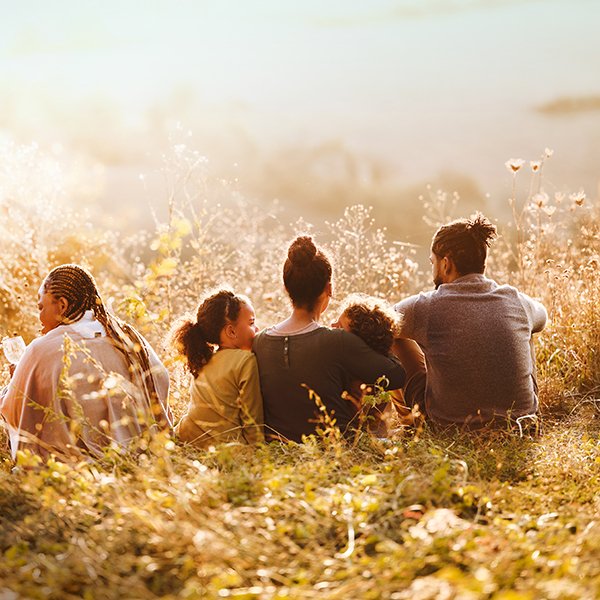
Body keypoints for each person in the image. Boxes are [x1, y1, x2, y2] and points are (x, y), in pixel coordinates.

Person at [0, 264, 172, 460]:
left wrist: (17, 382)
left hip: (71, 471)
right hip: (143, 458)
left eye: (41, 307)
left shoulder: (41, 350)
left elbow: (14, 409)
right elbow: (161, 378)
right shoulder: (127, 337)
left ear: (62, 305)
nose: (39, 316)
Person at [393, 213, 548, 429]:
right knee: (528, 328)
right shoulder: (516, 301)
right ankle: (523, 407)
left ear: (446, 264)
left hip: (449, 428)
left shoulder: (425, 307)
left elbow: (381, 322)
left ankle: (411, 425)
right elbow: (543, 317)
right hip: (521, 427)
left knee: (393, 335)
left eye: (433, 263)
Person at [253, 236, 406, 442]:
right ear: (329, 288)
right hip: (337, 450)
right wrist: (373, 338)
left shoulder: (260, 341)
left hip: (277, 450)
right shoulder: (337, 341)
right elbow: (396, 375)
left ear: (286, 288)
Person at [169, 289, 263, 447]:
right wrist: (259, 450)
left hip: (186, 437)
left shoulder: (203, 359)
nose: (257, 329)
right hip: (224, 448)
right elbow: (252, 419)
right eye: (251, 323)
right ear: (231, 331)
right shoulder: (246, 360)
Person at [333, 294, 410, 435]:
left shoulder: (361, 374)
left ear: (359, 343)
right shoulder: (382, 369)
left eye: (340, 327)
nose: (332, 327)